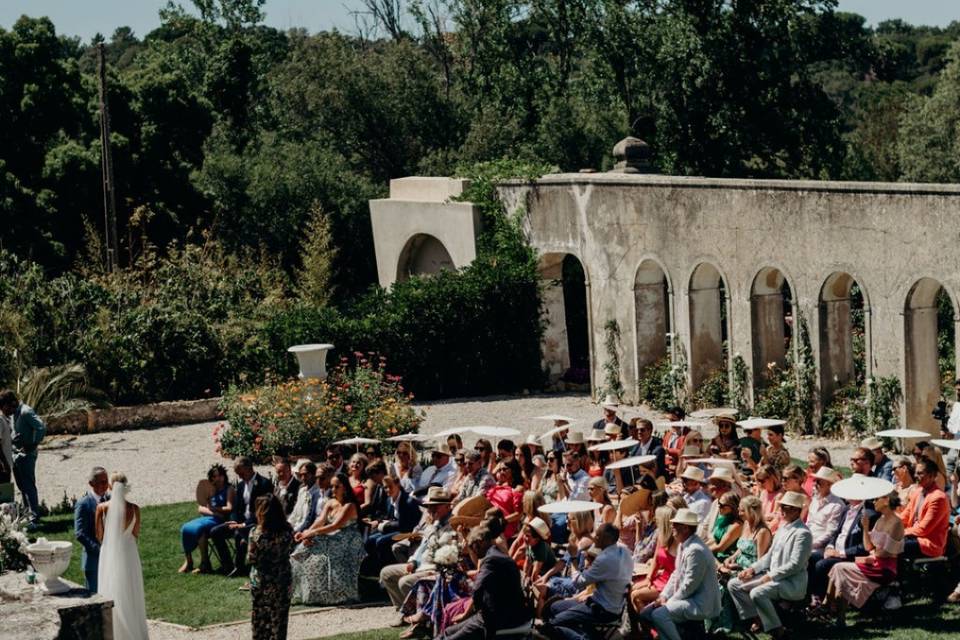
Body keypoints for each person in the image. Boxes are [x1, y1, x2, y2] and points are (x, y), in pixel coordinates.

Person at [728, 491, 812, 639]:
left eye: (786, 507)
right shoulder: (782, 529)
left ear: (796, 510)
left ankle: (777, 630)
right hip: (775, 579)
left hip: (791, 583)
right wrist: (752, 569)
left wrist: (769, 576)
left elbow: (795, 565)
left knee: (757, 592)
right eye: (782, 507)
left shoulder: (803, 533)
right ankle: (757, 618)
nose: (782, 510)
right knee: (734, 584)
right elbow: (769, 556)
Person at [822, 491, 904, 626]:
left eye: (877, 499)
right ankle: (834, 612)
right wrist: (865, 528)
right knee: (839, 568)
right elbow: (868, 547)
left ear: (886, 500)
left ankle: (829, 607)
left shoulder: (896, 523)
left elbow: (887, 552)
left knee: (840, 567)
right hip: (874, 562)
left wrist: (872, 554)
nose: (873, 502)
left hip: (884, 568)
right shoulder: (880, 520)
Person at [639, 508, 721, 640]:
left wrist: (669, 602)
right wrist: (664, 596)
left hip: (700, 603)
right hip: (688, 598)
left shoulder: (696, 550)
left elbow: (689, 585)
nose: (672, 528)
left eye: (675, 525)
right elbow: (675, 574)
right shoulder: (685, 545)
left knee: (659, 614)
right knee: (645, 613)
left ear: (686, 528)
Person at [438, 524, 529, 640]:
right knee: (447, 632)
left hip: (499, 619)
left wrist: (465, 614)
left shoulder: (491, 560)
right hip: (496, 614)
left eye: (472, 546)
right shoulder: (495, 555)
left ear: (480, 542)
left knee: (449, 637)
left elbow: (477, 588)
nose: (472, 550)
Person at [544, 524, 633, 640]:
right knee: (555, 607)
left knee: (552, 625)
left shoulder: (604, 559)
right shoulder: (624, 550)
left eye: (597, 535)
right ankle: (586, 633)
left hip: (602, 610)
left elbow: (577, 583)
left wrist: (573, 558)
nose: (594, 537)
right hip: (608, 605)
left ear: (607, 539)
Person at [290, 471, 364, 605]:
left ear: (345, 488)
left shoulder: (349, 506)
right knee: (304, 547)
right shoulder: (330, 502)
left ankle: (334, 596)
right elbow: (320, 520)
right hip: (333, 536)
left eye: (337, 487)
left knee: (321, 547)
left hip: (349, 539)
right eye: (332, 486)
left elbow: (335, 526)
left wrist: (312, 534)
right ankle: (301, 592)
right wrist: (306, 533)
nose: (333, 490)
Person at [381, 486, 454, 610]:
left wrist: (426, 568)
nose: (431, 509)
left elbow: (446, 557)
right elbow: (422, 547)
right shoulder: (433, 524)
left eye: (435, 506)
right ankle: (404, 610)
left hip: (435, 569)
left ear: (447, 507)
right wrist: (413, 561)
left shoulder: (452, 525)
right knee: (386, 573)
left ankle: (423, 615)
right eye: (429, 506)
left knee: (405, 582)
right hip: (421, 565)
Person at [96, 472, 148, 640]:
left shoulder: (102, 508)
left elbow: (99, 535)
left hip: (110, 553)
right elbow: (136, 533)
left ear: (111, 486)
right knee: (131, 591)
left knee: (111, 588)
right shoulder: (135, 509)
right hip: (129, 553)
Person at [210, 456, 273, 577]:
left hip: (256, 523)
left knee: (240, 533)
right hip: (239, 522)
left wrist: (243, 524)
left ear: (249, 469)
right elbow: (236, 507)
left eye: (241, 473)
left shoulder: (264, 484)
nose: (240, 477)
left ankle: (239, 567)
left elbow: (262, 511)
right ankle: (228, 565)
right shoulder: (240, 486)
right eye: (238, 474)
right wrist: (233, 520)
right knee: (215, 531)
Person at [807, 497, 874, 607]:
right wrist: (829, 546)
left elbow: (864, 547)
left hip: (849, 555)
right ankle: (810, 597)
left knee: (822, 565)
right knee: (810, 558)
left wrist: (840, 553)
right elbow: (837, 533)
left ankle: (823, 599)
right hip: (835, 550)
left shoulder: (869, 514)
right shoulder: (847, 509)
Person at [247, 495, 295, 640]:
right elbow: (291, 549)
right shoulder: (287, 530)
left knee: (260, 623)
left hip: (261, 582)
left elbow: (251, 558)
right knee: (279, 622)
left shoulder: (256, 533)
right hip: (282, 580)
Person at [180, 463, 234, 574]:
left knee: (199, 529)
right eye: (214, 476)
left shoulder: (229, 489)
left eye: (220, 475)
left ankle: (204, 563)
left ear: (224, 476)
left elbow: (229, 507)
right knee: (186, 527)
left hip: (222, 520)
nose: (217, 478)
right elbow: (200, 508)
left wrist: (216, 509)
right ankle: (189, 561)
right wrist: (213, 512)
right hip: (211, 517)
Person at [1, 389, 45, 525]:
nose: (4, 411)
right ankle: (27, 514)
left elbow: (41, 427)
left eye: (5, 407)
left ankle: (34, 517)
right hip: (16, 455)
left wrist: (32, 444)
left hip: (26, 455)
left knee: (29, 486)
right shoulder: (14, 414)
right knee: (22, 487)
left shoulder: (26, 411)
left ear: (12, 403)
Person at [366, 475, 421, 568]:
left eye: (390, 486)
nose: (388, 490)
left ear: (398, 485)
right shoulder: (389, 500)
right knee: (370, 539)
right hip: (396, 528)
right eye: (385, 487)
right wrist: (378, 522)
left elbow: (406, 525)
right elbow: (387, 516)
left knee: (381, 541)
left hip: (408, 531)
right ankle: (373, 566)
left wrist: (387, 525)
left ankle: (386, 566)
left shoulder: (408, 501)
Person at [629, 505, 678, 611]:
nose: (655, 520)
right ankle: (638, 624)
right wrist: (649, 578)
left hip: (671, 582)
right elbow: (656, 559)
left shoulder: (678, 541)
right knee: (630, 589)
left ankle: (650, 624)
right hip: (662, 577)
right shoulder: (661, 536)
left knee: (636, 595)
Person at [899, 458, 949, 558]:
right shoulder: (918, 492)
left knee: (892, 545)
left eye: (920, 473)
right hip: (913, 536)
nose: (915, 476)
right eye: (916, 473)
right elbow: (905, 515)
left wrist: (902, 532)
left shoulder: (939, 498)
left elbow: (923, 529)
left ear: (931, 476)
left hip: (928, 543)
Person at [75, 466, 109, 591]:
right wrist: (99, 550)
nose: (106, 485)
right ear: (91, 484)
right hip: (93, 560)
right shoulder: (84, 504)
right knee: (95, 596)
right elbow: (80, 533)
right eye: (102, 482)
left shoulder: (110, 499)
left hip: (110, 559)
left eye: (107, 481)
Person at [806, 467, 845, 552]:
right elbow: (809, 523)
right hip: (806, 540)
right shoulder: (815, 499)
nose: (815, 484)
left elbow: (830, 532)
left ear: (829, 484)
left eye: (819, 482)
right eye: (815, 480)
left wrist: (811, 544)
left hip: (819, 547)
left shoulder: (837, 505)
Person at [696, 466, 736, 542]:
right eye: (711, 483)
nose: (712, 487)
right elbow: (705, 526)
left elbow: (723, 536)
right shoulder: (715, 503)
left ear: (726, 487)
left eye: (716, 484)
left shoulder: (732, 505)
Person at [288, 461, 323, 534]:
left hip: (304, 530)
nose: (303, 478)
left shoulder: (318, 493)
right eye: (301, 475)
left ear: (314, 475)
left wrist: (295, 531)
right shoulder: (302, 491)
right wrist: (287, 527)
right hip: (294, 527)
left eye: (306, 475)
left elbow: (308, 519)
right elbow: (295, 513)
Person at [707, 492, 742, 561]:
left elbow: (721, 548)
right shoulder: (723, 518)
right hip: (714, 553)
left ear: (733, 507)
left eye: (722, 505)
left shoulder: (737, 525)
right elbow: (714, 539)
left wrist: (702, 551)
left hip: (727, 557)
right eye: (719, 504)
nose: (719, 507)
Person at [754, 465, 784, 532]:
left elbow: (774, 519)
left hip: (768, 529)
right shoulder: (764, 492)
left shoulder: (780, 495)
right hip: (760, 524)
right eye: (758, 480)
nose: (760, 483)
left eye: (762, 481)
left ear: (771, 478)